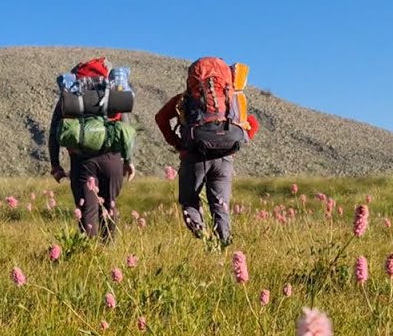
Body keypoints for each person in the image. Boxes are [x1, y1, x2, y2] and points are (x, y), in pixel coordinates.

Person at [153, 57, 259, 245]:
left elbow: (161, 118)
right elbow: (252, 123)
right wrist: (233, 141)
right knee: (220, 206)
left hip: (194, 156)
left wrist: (177, 144)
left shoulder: (184, 99)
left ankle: (205, 240)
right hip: (224, 157)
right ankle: (224, 246)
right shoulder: (232, 98)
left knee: (189, 202)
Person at [47, 58, 136, 240]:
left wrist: (55, 165)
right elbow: (126, 130)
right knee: (110, 205)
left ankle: (90, 253)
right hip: (111, 159)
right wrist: (128, 161)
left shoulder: (72, 95)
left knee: (87, 208)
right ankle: (108, 251)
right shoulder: (112, 93)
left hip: (82, 160)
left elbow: (55, 131)